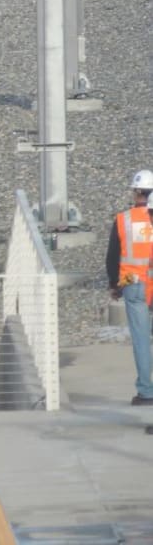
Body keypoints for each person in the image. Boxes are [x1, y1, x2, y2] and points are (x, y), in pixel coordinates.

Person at [106, 169, 153, 405]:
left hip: (133, 284)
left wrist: (114, 285)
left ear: (135, 192)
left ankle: (146, 391)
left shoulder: (123, 219)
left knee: (142, 339)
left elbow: (113, 256)